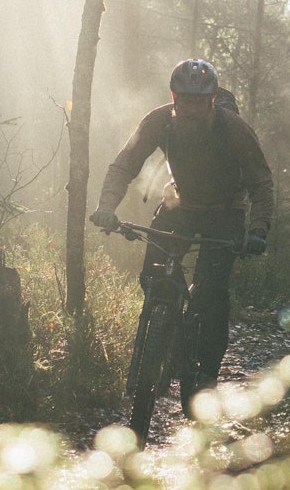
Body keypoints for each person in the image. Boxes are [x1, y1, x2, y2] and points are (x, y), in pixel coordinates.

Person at [90, 58, 274, 392]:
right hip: (180, 204)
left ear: (212, 100)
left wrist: (258, 230)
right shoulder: (159, 121)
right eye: (185, 101)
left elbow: (261, 183)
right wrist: (106, 206)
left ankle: (207, 372)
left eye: (199, 102)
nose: (191, 110)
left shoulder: (233, 128)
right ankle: (167, 328)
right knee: (153, 277)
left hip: (225, 212)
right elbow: (123, 165)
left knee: (212, 293)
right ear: (175, 99)